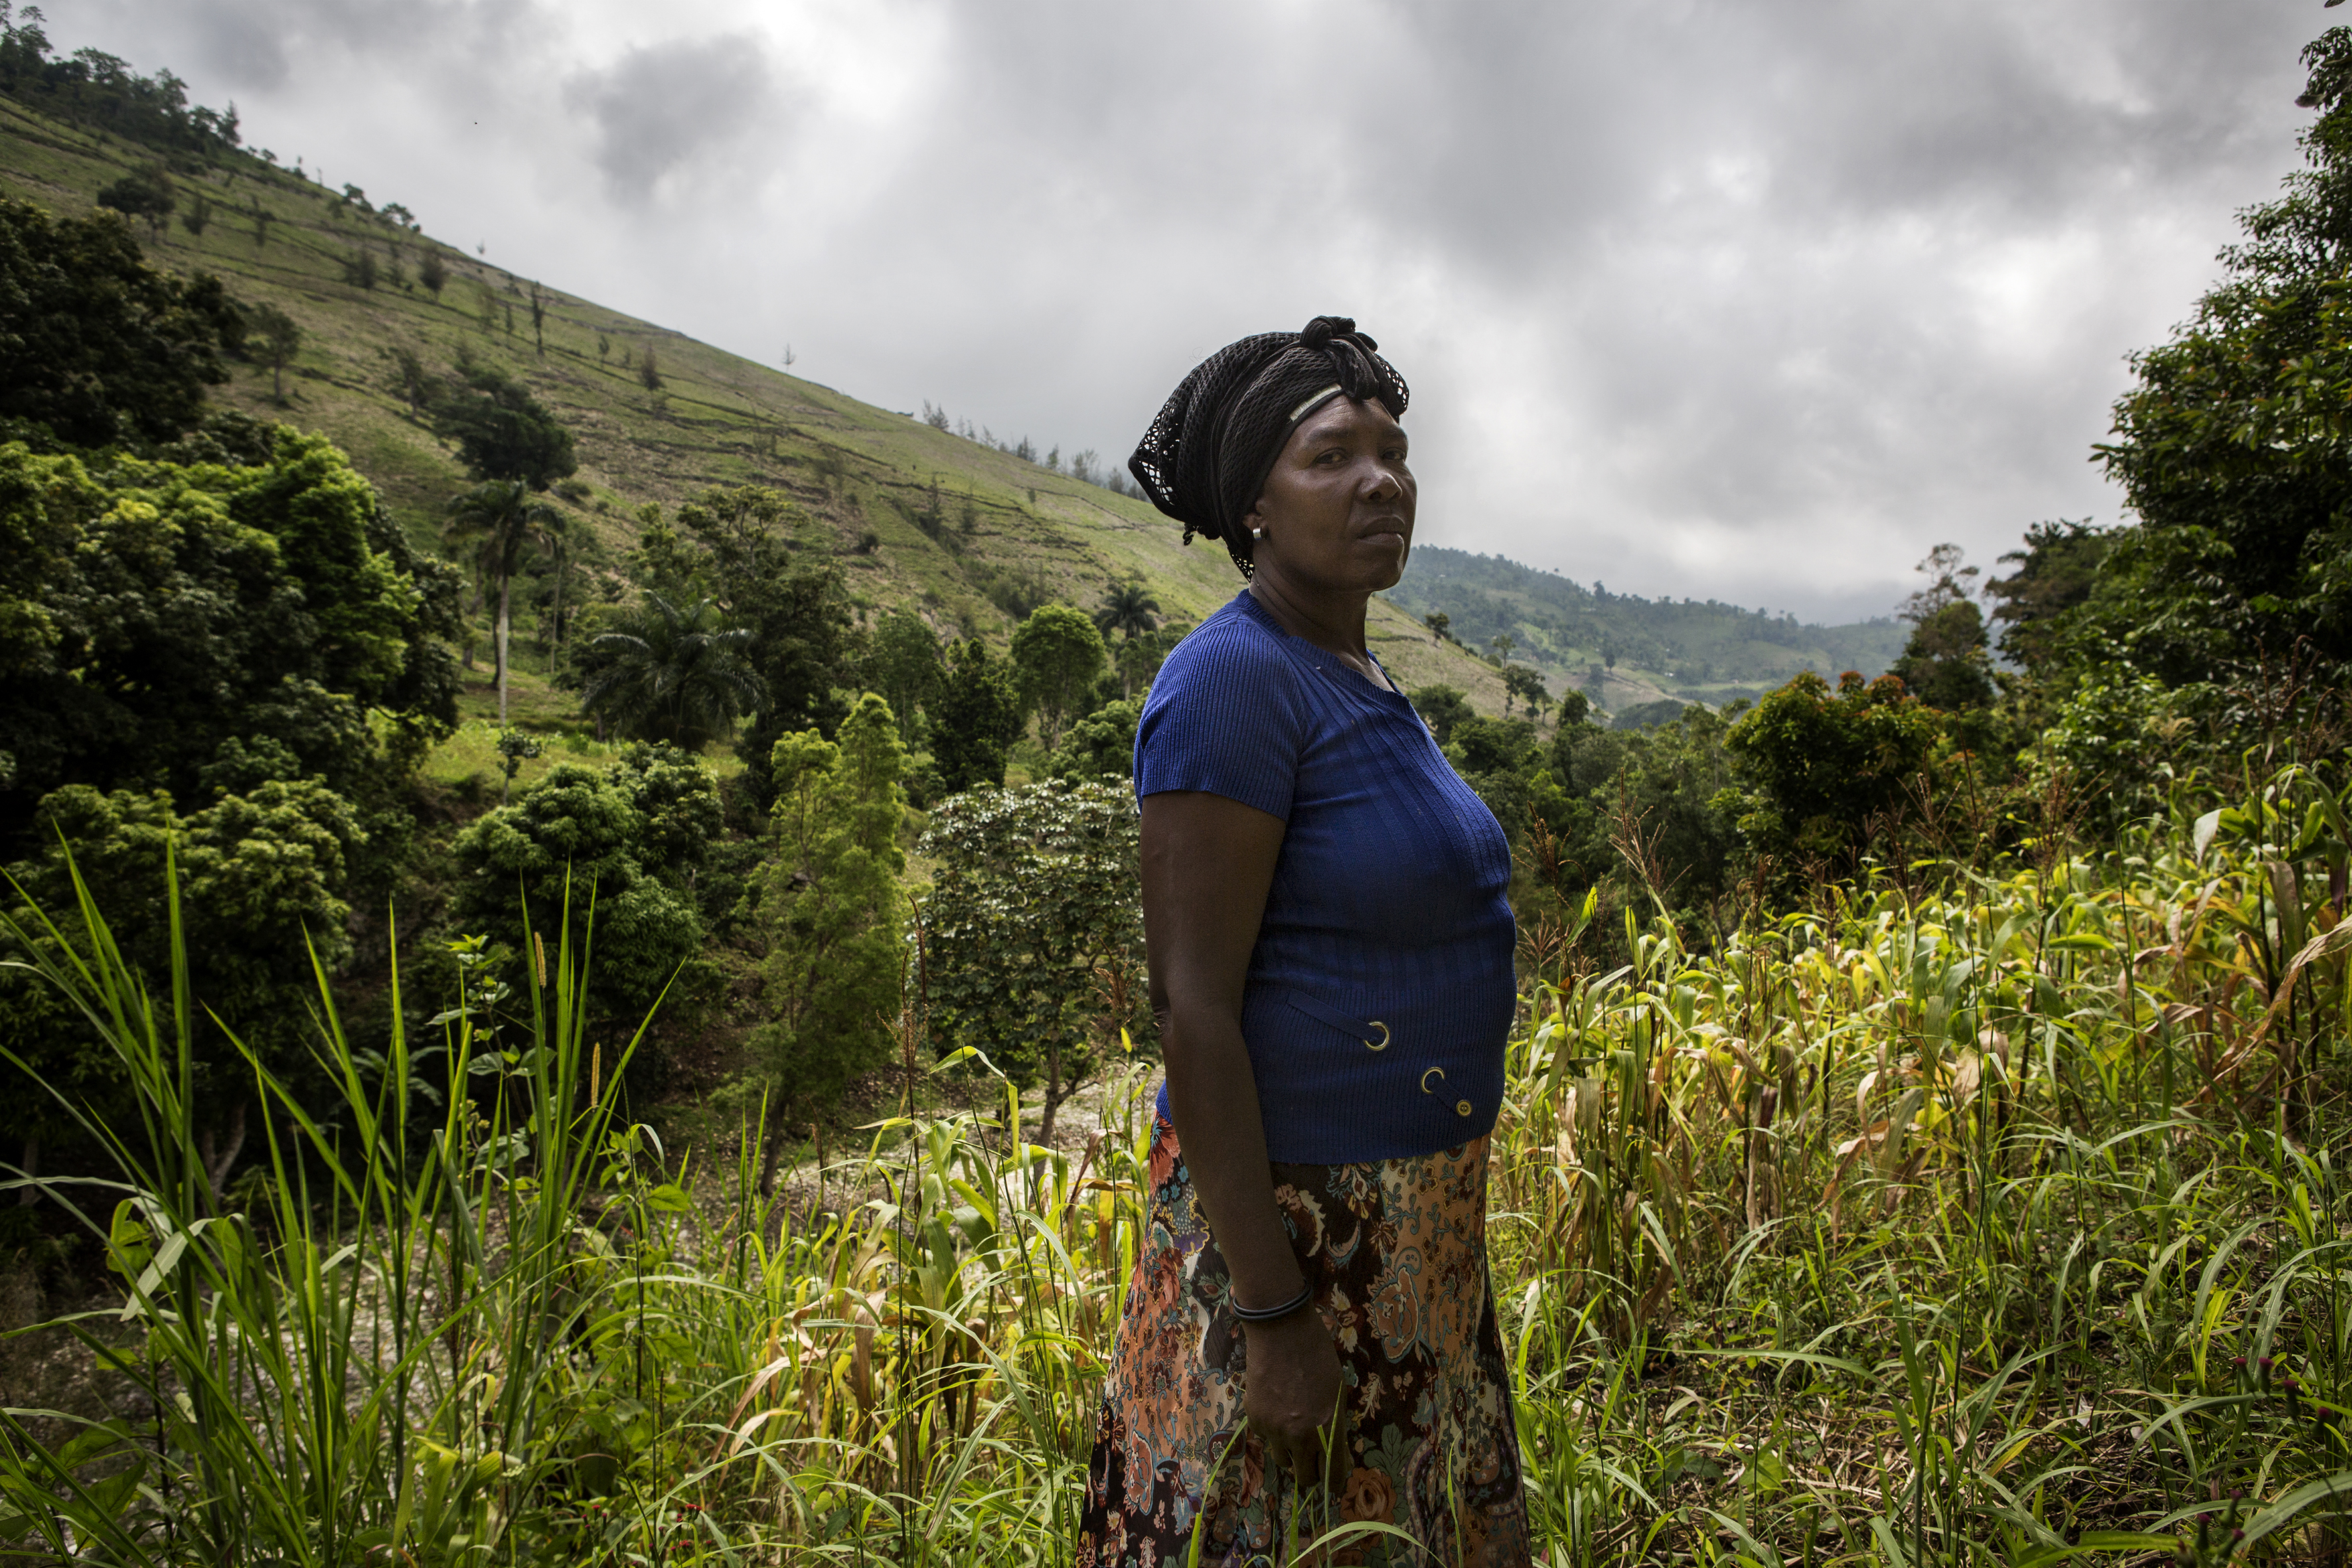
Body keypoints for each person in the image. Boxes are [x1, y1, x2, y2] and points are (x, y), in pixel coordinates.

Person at [1077, 317, 1531, 1567]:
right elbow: (1193, 1009)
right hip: (1298, 1242)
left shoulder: (1361, 676)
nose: (1380, 477)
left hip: (1414, 1233)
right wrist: (1272, 1315)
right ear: (1255, 508)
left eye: (1392, 449)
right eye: (1332, 455)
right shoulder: (1234, 678)